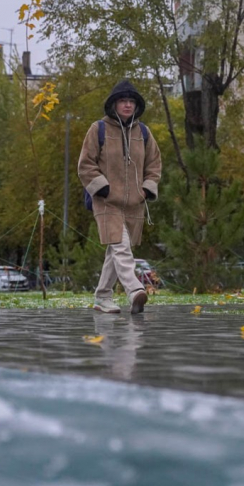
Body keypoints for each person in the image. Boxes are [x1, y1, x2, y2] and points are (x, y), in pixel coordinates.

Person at [78, 79, 162, 314]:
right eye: (123, 101)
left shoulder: (144, 133)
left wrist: (146, 189)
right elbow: (85, 165)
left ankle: (103, 297)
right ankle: (135, 290)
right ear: (114, 104)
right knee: (121, 246)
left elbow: (155, 164)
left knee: (115, 251)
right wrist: (102, 188)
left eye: (131, 101)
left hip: (135, 203)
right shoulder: (98, 129)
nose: (127, 105)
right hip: (105, 201)